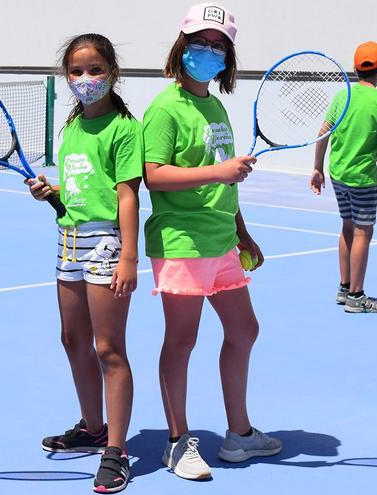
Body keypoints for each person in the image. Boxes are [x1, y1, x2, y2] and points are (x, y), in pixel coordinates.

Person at [142, 2, 281, 481]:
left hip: (222, 240)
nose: (207, 50)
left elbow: (225, 178)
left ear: (228, 57)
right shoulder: (165, 108)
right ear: (182, 46)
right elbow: (154, 176)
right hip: (182, 241)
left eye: (217, 45)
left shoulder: (215, 104)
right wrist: (220, 171)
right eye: (199, 43)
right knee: (181, 342)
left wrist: (242, 231)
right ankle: (177, 443)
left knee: (244, 331)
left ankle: (239, 436)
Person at [28, 33, 142, 493]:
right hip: (68, 241)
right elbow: (78, 193)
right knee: (72, 338)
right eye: (76, 71)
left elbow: (127, 195)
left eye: (95, 70)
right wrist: (51, 195)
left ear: (112, 73)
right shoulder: (71, 129)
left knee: (108, 348)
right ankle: (92, 428)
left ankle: (116, 450)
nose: (85, 79)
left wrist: (129, 257)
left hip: (107, 243)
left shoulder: (124, 129)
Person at [310, 41, 377, 313]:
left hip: (338, 175)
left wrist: (317, 168)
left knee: (347, 226)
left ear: (355, 70)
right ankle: (356, 296)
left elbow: (323, 132)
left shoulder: (343, 97)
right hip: (361, 179)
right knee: (363, 231)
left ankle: (344, 288)